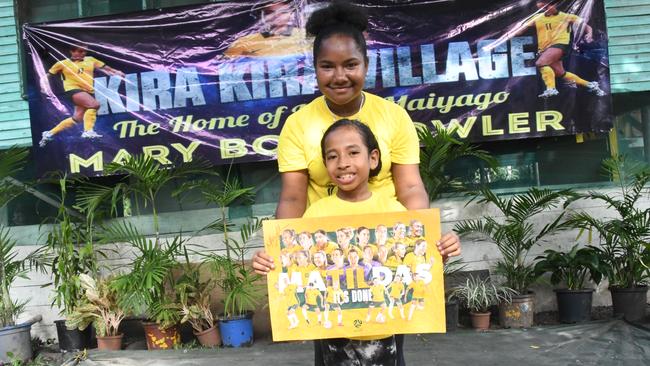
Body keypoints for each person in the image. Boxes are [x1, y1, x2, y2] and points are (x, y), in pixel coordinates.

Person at [253, 3, 461, 365]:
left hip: (385, 260)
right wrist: (281, 253)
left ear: (366, 65)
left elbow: (411, 188)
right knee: (333, 352)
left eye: (350, 65)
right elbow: (292, 198)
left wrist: (422, 245)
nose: (339, 76)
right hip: (327, 265)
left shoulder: (393, 117)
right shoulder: (298, 126)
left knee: (385, 346)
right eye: (327, 66)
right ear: (314, 69)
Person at [39, 44, 124, 147]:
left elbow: (106, 68)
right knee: (94, 105)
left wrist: (116, 72)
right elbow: (46, 76)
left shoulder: (91, 60)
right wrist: (43, 86)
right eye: (79, 51)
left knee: (77, 119)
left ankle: (49, 133)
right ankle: (88, 131)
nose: (82, 53)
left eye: (84, 51)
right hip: (72, 90)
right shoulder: (62, 64)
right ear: (72, 51)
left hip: (87, 92)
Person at [519, 0, 605, 98]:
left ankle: (551, 88)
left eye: (546, 7)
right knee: (561, 73)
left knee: (540, 63)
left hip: (561, 45)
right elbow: (519, 30)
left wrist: (589, 34)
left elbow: (587, 27)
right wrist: (508, 34)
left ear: (553, 5)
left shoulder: (566, 16)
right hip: (545, 49)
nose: (545, 10)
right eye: (542, 9)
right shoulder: (537, 18)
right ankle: (590, 84)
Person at [223, 1, 310, 58]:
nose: (276, 16)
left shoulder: (307, 37)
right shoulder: (244, 42)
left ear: (292, 13)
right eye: (270, 12)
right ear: (261, 15)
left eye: (283, 12)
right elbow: (224, 69)